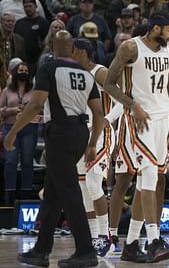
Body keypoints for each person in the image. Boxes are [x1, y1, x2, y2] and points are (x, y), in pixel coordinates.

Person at [9, 30, 103, 267]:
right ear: (72, 48)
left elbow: (36, 104)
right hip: (81, 134)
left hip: (60, 134)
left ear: (52, 45)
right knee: (52, 194)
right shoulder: (86, 73)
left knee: (70, 193)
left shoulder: (48, 68)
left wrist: (12, 132)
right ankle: (41, 251)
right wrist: (92, 144)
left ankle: (86, 251)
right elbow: (99, 114)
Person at [104, 12, 169, 263]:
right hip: (140, 119)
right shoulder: (130, 47)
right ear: (156, 28)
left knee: (154, 180)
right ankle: (154, 239)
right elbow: (109, 84)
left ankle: (132, 243)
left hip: (162, 119)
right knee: (146, 177)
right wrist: (132, 104)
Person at [71, 38, 115, 257]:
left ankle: (105, 237)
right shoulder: (74, 75)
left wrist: (107, 119)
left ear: (82, 52)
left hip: (101, 134)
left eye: (72, 51)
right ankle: (92, 236)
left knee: (93, 183)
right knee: (83, 189)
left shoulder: (100, 72)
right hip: (81, 134)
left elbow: (123, 100)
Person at [0, 61, 39, 205]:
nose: (24, 72)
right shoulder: (7, 91)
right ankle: (8, 196)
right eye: (21, 70)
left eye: (26, 70)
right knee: (10, 161)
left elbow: (39, 108)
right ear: (16, 72)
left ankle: (26, 195)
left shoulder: (34, 91)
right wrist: (11, 110)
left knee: (27, 162)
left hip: (29, 128)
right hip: (10, 127)